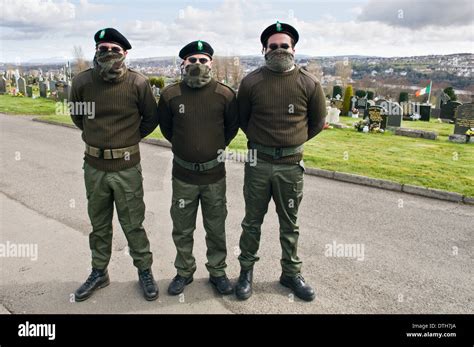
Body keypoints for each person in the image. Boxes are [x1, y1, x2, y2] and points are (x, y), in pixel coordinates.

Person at [235, 22, 326, 301]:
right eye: (272, 46)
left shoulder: (309, 83)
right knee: (252, 222)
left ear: (293, 49)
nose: (278, 50)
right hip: (258, 164)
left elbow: (317, 123)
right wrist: (264, 142)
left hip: (290, 166)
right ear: (264, 49)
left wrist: (290, 143)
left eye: (284, 46)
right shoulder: (251, 82)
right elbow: (242, 119)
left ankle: (290, 273)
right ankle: (246, 272)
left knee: (290, 224)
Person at [69, 28, 160, 301]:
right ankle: (99, 272)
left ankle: (144, 271)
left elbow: (150, 119)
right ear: (96, 52)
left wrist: (128, 141)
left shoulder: (138, 84)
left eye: (115, 50)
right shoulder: (83, 82)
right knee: (99, 225)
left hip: (127, 167)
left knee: (133, 224)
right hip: (94, 167)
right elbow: (77, 116)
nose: (109, 53)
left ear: (125, 54)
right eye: (103, 48)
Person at [158, 40, 239, 295]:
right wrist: (187, 148)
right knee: (182, 228)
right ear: (183, 63)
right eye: (191, 60)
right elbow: (167, 129)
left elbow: (230, 128)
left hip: (214, 176)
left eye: (202, 60)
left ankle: (217, 272)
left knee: (216, 227)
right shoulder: (170, 95)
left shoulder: (225, 94)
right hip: (183, 176)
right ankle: (184, 271)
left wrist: (208, 150)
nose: (197, 64)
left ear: (210, 64)